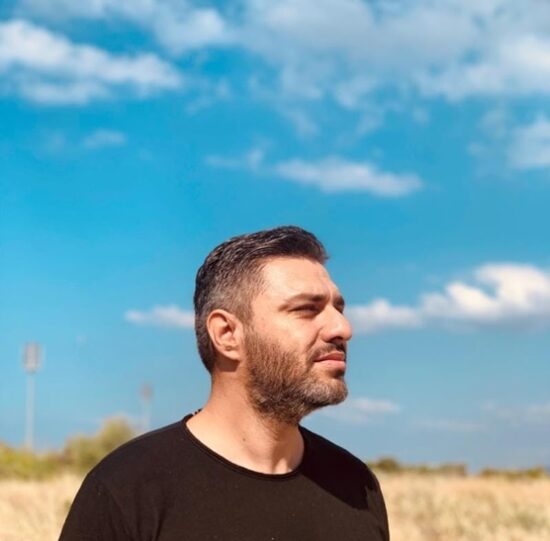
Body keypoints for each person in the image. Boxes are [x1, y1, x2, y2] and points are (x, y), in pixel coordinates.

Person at [59, 226, 390, 541]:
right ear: (227, 334)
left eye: (338, 308)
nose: (342, 328)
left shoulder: (356, 486)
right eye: (306, 309)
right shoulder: (126, 489)